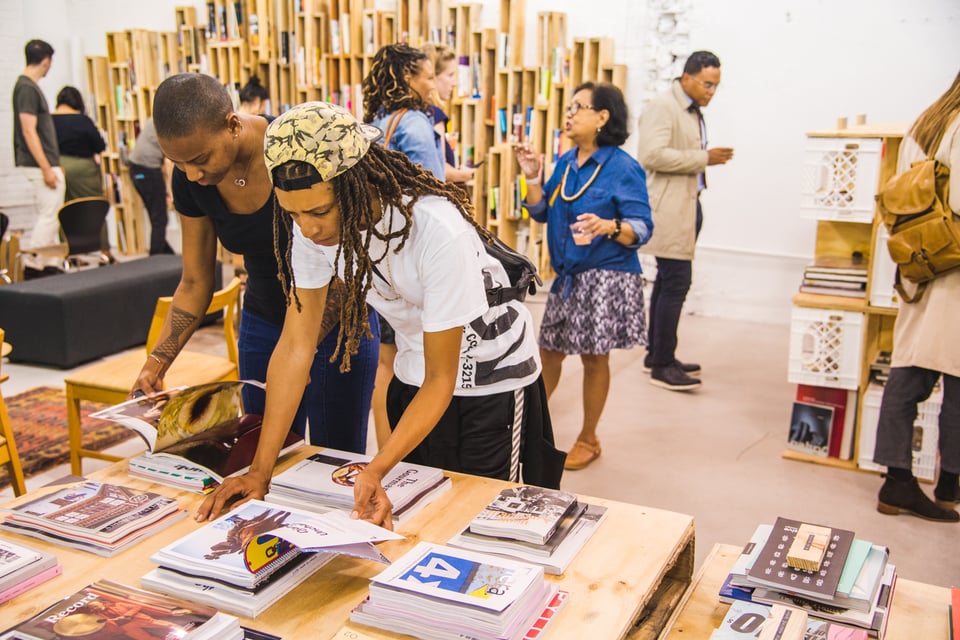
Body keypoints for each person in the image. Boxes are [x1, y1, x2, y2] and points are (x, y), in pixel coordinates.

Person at [196, 101, 565, 528]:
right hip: (417, 375)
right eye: (293, 213)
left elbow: (444, 377)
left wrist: (376, 467)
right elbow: (296, 347)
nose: (309, 228)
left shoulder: (435, 227)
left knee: (488, 521)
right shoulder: (312, 230)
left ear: (357, 183)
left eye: (319, 211)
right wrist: (259, 472)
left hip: (491, 381)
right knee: (425, 516)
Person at [132, 73, 378, 455]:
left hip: (338, 322)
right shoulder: (191, 181)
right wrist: (157, 362)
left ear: (232, 125)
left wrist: (299, 347)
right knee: (264, 454)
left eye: (199, 159)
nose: (193, 175)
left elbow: (352, 259)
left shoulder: (297, 147)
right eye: (178, 164)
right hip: (264, 322)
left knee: (336, 460)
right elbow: (196, 282)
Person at [514, 82, 653, 471]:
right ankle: (528, 427)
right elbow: (542, 213)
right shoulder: (567, 162)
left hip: (606, 274)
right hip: (569, 275)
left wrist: (610, 226)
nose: (569, 113)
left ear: (602, 117)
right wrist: (532, 178)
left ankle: (589, 438)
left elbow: (642, 228)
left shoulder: (624, 167)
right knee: (549, 353)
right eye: (569, 106)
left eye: (579, 107)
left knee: (594, 358)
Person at [872, 70, 960, 524]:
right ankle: (948, 486)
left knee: (908, 372)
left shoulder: (926, 121)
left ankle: (897, 481)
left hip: (918, 260)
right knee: (957, 382)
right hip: (954, 269)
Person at [362, 42, 446, 448]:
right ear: (408, 78)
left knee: (386, 360)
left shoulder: (378, 121)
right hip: (415, 254)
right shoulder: (414, 123)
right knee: (429, 361)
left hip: (381, 252)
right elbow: (435, 196)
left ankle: (385, 445)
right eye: (428, 76)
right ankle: (413, 450)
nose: (432, 84)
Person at [637, 50, 733, 391]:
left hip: (687, 205)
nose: (711, 92)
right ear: (687, 77)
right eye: (707, 84)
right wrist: (704, 158)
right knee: (676, 283)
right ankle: (662, 364)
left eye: (716, 86)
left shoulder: (691, 109)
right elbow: (650, 154)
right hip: (669, 210)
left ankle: (658, 355)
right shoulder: (664, 106)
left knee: (668, 282)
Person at [13, 39, 64, 249]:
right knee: (49, 215)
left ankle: (47, 262)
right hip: (39, 164)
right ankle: (36, 264)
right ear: (45, 60)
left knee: (52, 215)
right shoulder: (26, 88)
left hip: (46, 162)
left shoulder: (28, 87)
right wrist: (46, 168)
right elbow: (28, 130)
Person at [421, 42, 477, 185]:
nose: (454, 83)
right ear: (433, 76)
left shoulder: (413, 112)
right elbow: (439, 169)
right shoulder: (434, 114)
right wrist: (462, 174)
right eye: (450, 75)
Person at [127, 118, 175, 255]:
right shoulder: (168, 121)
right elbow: (168, 163)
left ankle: (167, 255)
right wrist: (170, 191)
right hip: (147, 170)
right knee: (160, 218)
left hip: (136, 169)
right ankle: (155, 259)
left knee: (156, 218)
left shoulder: (158, 115)